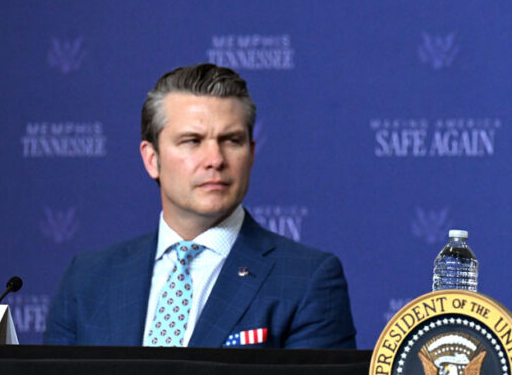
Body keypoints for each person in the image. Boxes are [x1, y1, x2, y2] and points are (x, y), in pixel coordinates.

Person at [45, 63, 356, 348]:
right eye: (192, 141)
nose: (215, 160)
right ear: (152, 159)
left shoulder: (307, 280)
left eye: (232, 140)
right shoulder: (86, 279)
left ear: (251, 153)